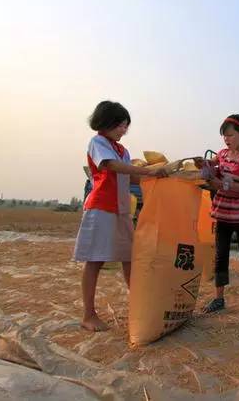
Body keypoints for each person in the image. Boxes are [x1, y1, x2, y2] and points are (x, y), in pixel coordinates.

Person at [73, 101, 167, 331]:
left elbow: (130, 178)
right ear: (106, 123)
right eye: (120, 125)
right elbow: (110, 166)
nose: (123, 130)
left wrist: (160, 176)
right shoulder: (98, 143)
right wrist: (147, 171)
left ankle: (139, 306)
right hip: (102, 208)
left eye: (126, 126)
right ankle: (89, 314)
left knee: (129, 258)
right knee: (95, 261)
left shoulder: (123, 151)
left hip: (122, 210)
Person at [199, 114, 239, 312]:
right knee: (220, 255)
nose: (227, 139)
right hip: (223, 213)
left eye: (230, 135)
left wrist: (224, 184)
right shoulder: (222, 155)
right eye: (224, 136)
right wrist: (204, 167)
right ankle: (219, 299)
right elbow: (213, 173)